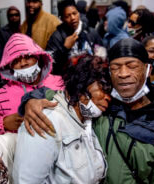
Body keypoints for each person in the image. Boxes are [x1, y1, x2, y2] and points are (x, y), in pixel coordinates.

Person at [19, 38, 154, 184]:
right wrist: (30, 100)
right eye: (115, 67)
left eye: (132, 66)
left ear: (147, 69)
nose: (123, 74)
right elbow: (63, 94)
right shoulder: (104, 103)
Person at [13, 55, 111, 183]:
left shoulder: (86, 119)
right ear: (83, 84)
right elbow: (26, 181)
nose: (108, 97)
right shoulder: (46, 120)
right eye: (103, 88)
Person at [0, 33, 63, 135]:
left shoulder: (59, 83)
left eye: (27, 56)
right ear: (10, 67)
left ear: (38, 57)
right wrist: (3, 123)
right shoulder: (1, 96)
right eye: (16, 61)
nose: (23, 63)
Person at [46, 0, 103, 75]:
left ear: (79, 13)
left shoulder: (91, 33)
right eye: (67, 16)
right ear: (62, 19)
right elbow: (50, 66)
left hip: (90, 81)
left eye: (74, 13)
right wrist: (65, 48)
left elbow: (103, 57)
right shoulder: (56, 37)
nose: (73, 18)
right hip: (67, 83)